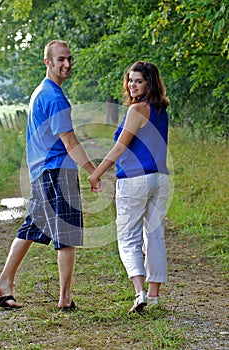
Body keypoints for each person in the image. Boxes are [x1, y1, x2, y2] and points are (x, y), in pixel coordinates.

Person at [0, 39, 101, 311]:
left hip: (42, 172)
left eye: (69, 59)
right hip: (57, 172)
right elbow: (70, 142)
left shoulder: (41, 91)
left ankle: (4, 282)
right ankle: (65, 298)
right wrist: (93, 173)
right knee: (67, 234)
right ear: (47, 62)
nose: (67, 64)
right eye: (60, 59)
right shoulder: (54, 97)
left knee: (32, 227)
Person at [88, 61, 170, 313]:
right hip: (160, 178)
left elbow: (120, 147)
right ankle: (154, 295)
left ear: (149, 83)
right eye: (130, 80)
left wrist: (96, 173)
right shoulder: (161, 110)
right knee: (154, 235)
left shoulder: (136, 110)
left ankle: (140, 293)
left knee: (127, 236)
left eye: (139, 81)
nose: (132, 85)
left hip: (135, 180)